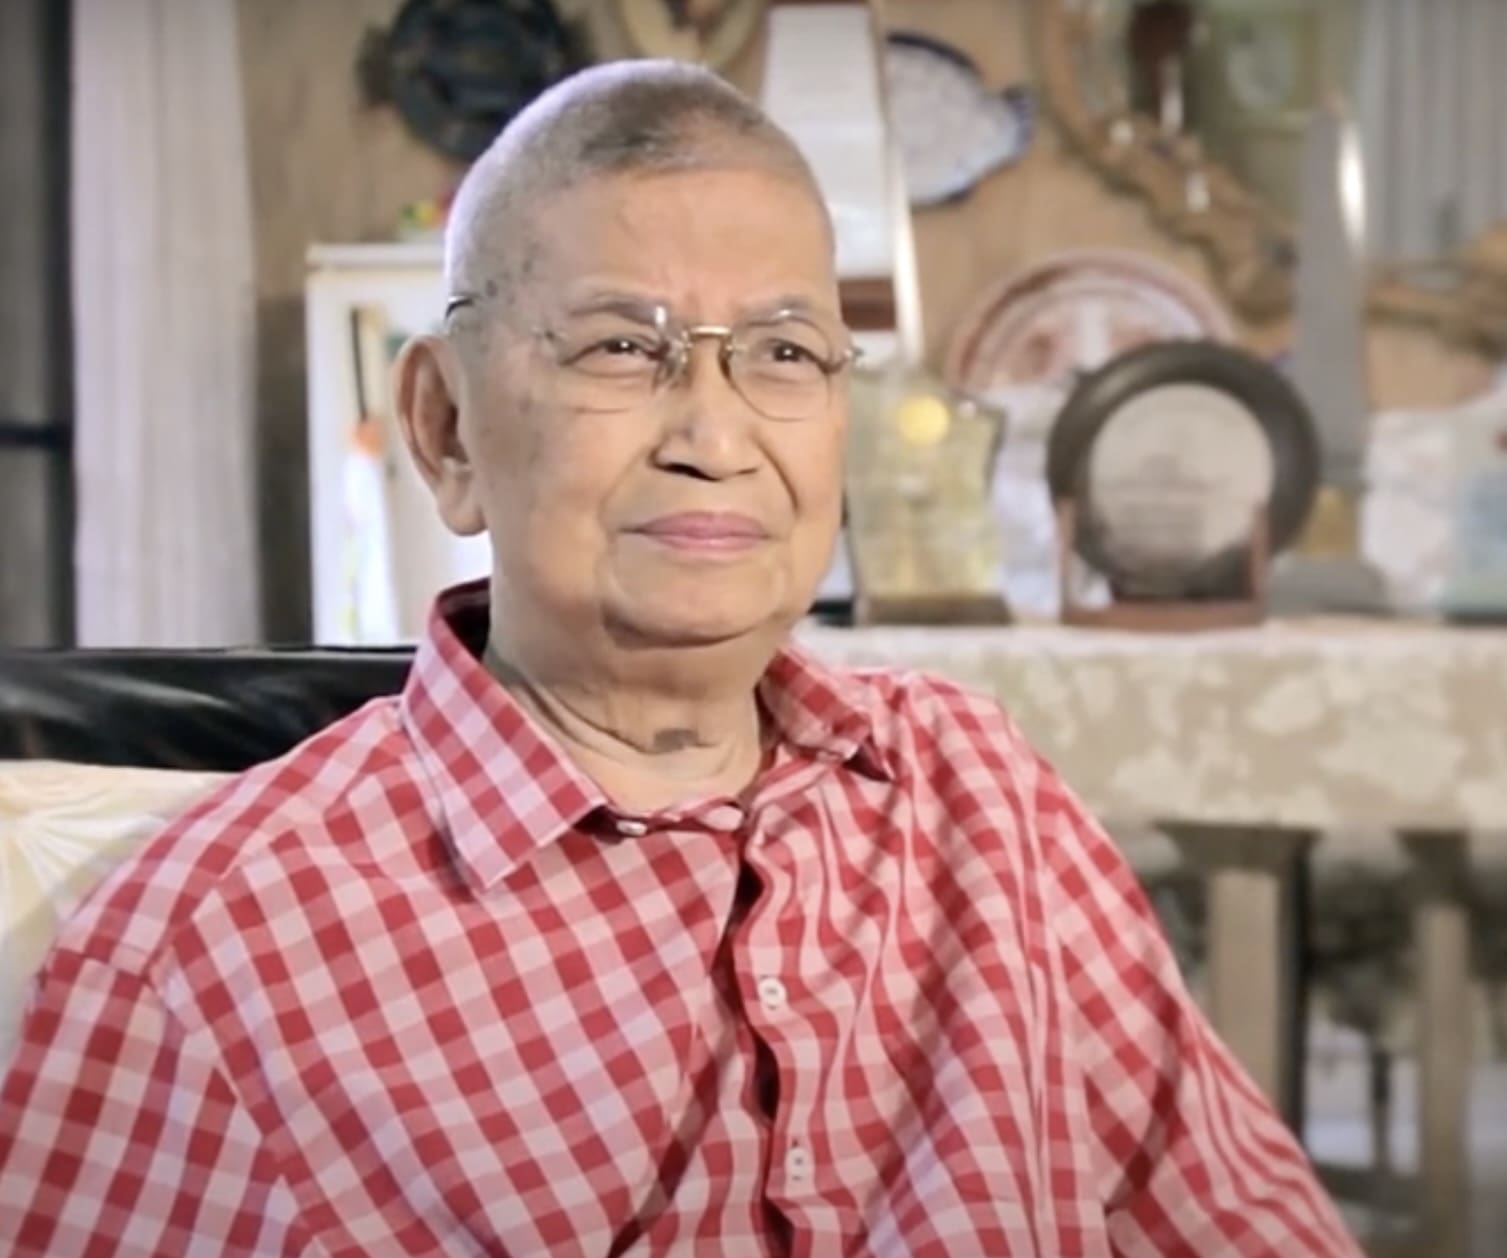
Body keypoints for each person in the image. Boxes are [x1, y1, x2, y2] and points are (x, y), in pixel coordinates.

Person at [0, 61, 1360, 1257]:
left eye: (781, 350)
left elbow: (1242, 1222)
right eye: (621, 348)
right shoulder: (212, 958)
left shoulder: (975, 790)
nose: (715, 433)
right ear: (447, 430)